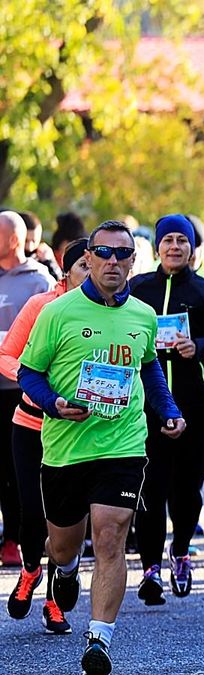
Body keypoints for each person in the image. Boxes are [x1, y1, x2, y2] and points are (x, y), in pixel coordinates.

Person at [18, 219, 185, 675]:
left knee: (111, 536)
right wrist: (53, 403)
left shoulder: (143, 315)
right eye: (104, 253)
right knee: (64, 541)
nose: (114, 262)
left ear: (135, 261)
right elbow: (29, 373)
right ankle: (65, 569)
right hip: (66, 448)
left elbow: (149, 368)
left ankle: (99, 640)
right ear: (86, 258)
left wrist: (167, 409)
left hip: (124, 443)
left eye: (123, 254)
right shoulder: (57, 312)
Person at [130, 214, 204, 604]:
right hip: (145, 405)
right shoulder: (137, 289)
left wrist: (200, 347)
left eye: (183, 240)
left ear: (193, 248)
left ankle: (179, 550)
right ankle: (149, 569)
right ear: (158, 247)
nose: (175, 246)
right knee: (151, 486)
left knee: (186, 489)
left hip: (194, 402)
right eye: (168, 240)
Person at [2, 239, 90, 631]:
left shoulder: (111, 311)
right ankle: (30, 570)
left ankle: (55, 600)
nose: (94, 272)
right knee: (30, 512)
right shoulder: (42, 305)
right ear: (67, 271)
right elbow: (7, 354)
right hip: (32, 424)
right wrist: (39, 383)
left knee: (66, 516)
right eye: (84, 266)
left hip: (79, 431)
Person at [0, 211, 56, 567]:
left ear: (14, 240)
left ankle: (16, 539)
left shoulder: (39, 282)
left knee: (15, 469)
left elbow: (44, 335)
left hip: (20, 389)